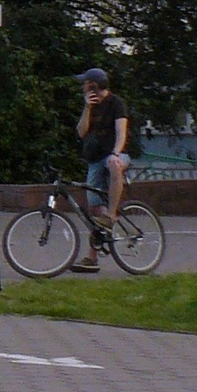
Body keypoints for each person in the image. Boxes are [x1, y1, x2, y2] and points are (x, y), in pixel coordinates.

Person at [73, 66, 132, 271]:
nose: (83, 87)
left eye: (86, 84)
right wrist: (87, 108)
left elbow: (121, 132)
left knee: (114, 165)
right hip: (94, 159)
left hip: (115, 154)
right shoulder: (91, 106)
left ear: (94, 86)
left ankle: (112, 215)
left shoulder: (116, 103)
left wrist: (116, 154)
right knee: (93, 207)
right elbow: (81, 132)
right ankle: (92, 257)